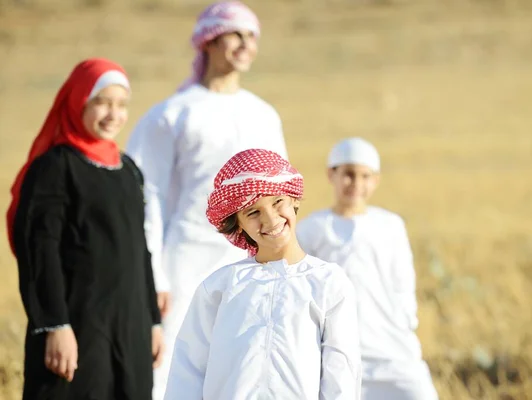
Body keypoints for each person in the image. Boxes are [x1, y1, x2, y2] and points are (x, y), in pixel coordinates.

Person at [125, 3, 288, 397]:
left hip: (252, 257)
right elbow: (144, 196)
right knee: (173, 361)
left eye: (252, 36)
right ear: (209, 41)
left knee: (249, 360)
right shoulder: (173, 114)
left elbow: (282, 193)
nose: (245, 44)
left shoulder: (263, 114)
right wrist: (154, 275)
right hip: (185, 259)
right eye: (236, 34)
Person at [6, 58, 164, 400]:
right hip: (76, 326)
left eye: (121, 105)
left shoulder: (128, 171)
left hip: (130, 326)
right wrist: (54, 325)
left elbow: (140, 250)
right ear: (78, 101)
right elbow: (39, 251)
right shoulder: (54, 168)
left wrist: (152, 321)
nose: (113, 114)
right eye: (102, 102)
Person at [163, 148, 362, 400]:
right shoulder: (219, 288)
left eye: (277, 202)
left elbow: (341, 377)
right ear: (238, 223)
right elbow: (187, 372)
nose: (270, 220)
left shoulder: (328, 283)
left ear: (294, 200)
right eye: (253, 212)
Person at [296, 138, 439, 400]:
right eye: (349, 175)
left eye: (365, 176)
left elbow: (403, 280)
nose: (357, 184)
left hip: (393, 348)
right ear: (332, 175)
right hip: (338, 351)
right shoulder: (311, 228)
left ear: (376, 180)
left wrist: (408, 320)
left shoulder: (390, 225)